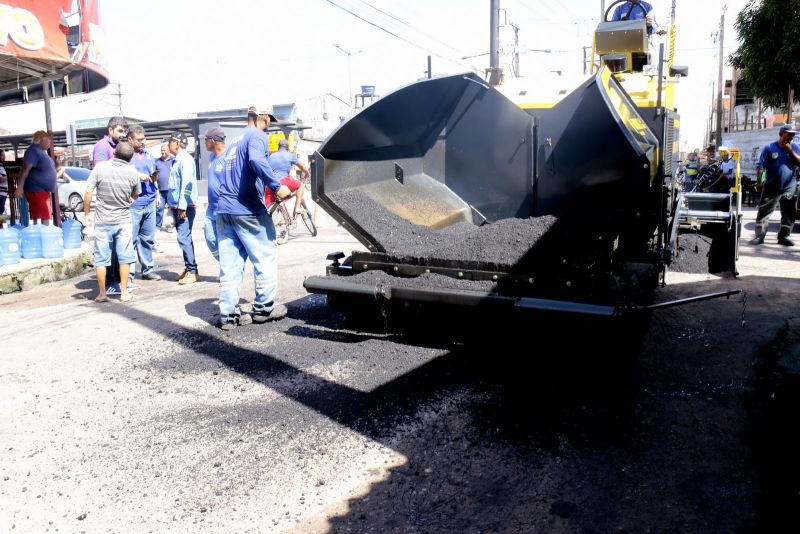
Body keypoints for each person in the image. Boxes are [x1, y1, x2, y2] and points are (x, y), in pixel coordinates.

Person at [215, 106, 291, 330]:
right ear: (263, 117)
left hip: (224, 210)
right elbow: (257, 161)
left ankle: (228, 316)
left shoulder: (234, 140)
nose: (269, 123)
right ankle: (263, 309)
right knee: (265, 255)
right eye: (269, 119)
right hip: (247, 209)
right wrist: (277, 186)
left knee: (230, 265)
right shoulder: (257, 136)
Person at [83, 141, 141, 303]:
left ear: (114, 153)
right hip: (123, 221)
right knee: (124, 257)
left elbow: (88, 191)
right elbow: (136, 194)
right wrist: (127, 201)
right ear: (130, 158)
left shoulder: (100, 168)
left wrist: (87, 213)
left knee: (101, 258)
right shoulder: (132, 171)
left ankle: (102, 294)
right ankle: (124, 293)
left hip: (103, 220)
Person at [92, 117, 130, 294]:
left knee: (118, 249)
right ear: (110, 130)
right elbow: (100, 171)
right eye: (120, 131)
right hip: (107, 207)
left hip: (120, 207)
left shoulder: (117, 148)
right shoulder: (102, 146)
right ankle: (109, 283)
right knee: (106, 249)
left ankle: (118, 282)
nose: (123, 135)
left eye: (124, 131)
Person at [751, 124, 800, 246]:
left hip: (790, 186)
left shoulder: (795, 147)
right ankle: (759, 236)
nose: (791, 136)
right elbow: (760, 167)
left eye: (793, 134)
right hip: (771, 186)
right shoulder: (769, 148)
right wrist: (760, 182)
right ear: (781, 133)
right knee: (764, 212)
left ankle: (784, 236)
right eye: (789, 133)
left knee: (789, 213)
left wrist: (790, 151)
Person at [126, 125, 161, 281]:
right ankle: (129, 273)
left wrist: (157, 190)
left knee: (147, 238)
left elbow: (153, 176)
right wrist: (137, 175)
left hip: (150, 200)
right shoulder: (125, 156)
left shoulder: (148, 155)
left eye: (143, 139)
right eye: (139, 140)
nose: (142, 142)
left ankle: (147, 269)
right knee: (131, 239)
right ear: (130, 139)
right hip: (134, 202)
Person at [167, 131, 199, 284]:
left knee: (183, 237)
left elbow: (186, 184)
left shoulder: (185, 160)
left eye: (169, 142)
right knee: (184, 237)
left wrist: (182, 206)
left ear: (177, 144)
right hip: (178, 206)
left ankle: (192, 271)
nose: (168, 145)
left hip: (184, 206)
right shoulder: (177, 160)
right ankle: (189, 268)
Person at [13, 131, 57, 225]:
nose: (50, 142)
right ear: (40, 140)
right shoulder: (33, 151)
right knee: (43, 216)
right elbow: (25, 169)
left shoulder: (40, 151)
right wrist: (20, 187)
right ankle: (43, 237)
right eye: (48, 139)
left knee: (42, 216)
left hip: (41, 190)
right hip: (36, 189)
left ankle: (42, 236)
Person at [267, 138, 310, 219]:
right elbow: (302, 166)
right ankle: (297, 208)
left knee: (270, 207)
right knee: (300, 186)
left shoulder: (271, 156)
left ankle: (280, 217)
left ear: (278, 147)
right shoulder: (289, 155)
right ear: (287, 148)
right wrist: (308, 173)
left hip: (272, 184)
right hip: (285, 181)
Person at [203, 127, 226, 262]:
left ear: (212, 141)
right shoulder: (212, 157)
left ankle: (228, 268)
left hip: (223, 207)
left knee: (225, 241)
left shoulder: (228, 158)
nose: (205, 143)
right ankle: (224, 264)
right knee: (210, 237)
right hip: (211, 207)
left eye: (206, 140)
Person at [154, 143, 174, 233]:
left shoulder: (173, 161)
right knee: (159, 208)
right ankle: (157, 226)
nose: (163, 152)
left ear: (169, 151)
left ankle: (170, 226)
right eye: (162, 150)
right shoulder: (157, 162)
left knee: (172, 209)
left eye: (165, 150)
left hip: (171, 190)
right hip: (160, 191)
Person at [0, 150, 7, 216]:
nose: (4, 156)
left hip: (3, 193)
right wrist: (8, 176)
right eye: (2, 155)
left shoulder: (1, 166)